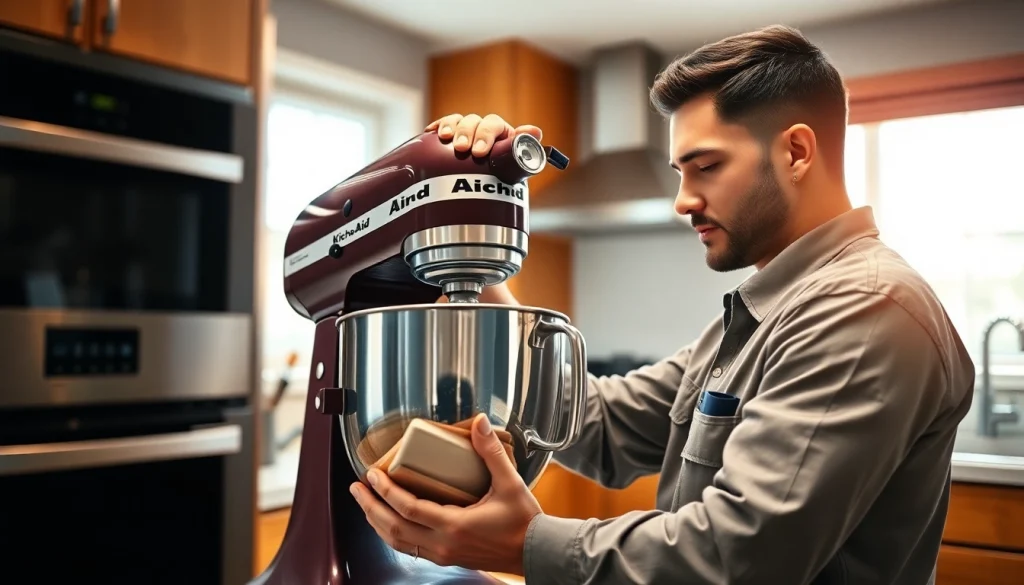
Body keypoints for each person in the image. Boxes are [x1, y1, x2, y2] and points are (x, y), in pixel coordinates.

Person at [348, 24, 975, 584]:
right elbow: (596, 424)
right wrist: (467, 224)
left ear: (795, 151)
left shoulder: (864, 309)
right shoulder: (768, 312)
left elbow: (740, 556)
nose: (683, 200)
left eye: (704, 166)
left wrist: (523, 544)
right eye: (679, 171)